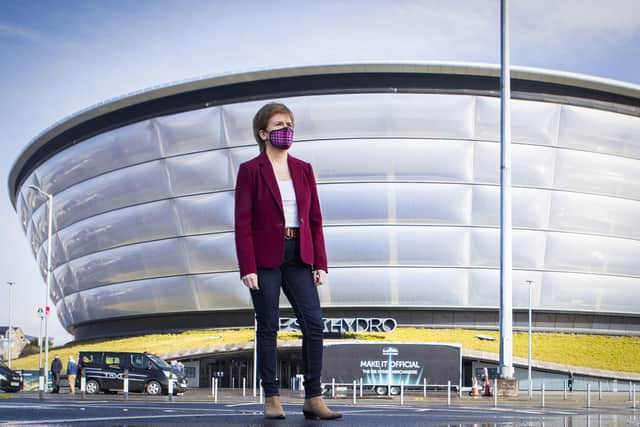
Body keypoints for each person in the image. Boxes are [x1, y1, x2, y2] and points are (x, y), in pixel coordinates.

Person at [234, 102, 341, 420]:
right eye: (279, 125)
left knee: (314, 324)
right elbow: (242, 222)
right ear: (263, 133)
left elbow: (315, 220)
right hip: (265, 257)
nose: (287, 130)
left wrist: (320, 262)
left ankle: (313, 397)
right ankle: (272, 397)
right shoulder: (251, 170)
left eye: (290, 124)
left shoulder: (304, 169)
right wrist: (247, 266)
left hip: (299, 255)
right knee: (268, 328)